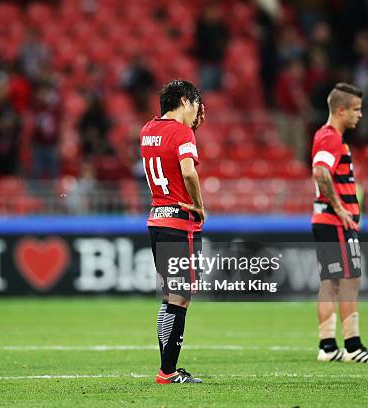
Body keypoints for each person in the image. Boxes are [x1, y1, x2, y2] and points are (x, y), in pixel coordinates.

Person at [311, 83, 368, 364]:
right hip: (334, 221)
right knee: (350, 280)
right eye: (356, 110)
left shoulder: (326, 136)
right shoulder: (330, 137)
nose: (360, 115)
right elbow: (320, 172)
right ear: (340, 110)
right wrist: (341, 208)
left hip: (323, 219)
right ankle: (353, 347)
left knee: (330, 282)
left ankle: (328, 346)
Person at [140, 80, 206, 384]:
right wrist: (199, 205)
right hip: (181, 221)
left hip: (157, 218)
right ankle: (167, 371)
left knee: (170, 295)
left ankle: (167, 368)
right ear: (184, 100)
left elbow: (164, 160)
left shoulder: (147, 130)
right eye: (196, 104)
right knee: (180, 297)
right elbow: (188, 171)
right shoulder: (182, 132)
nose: (197, 112)